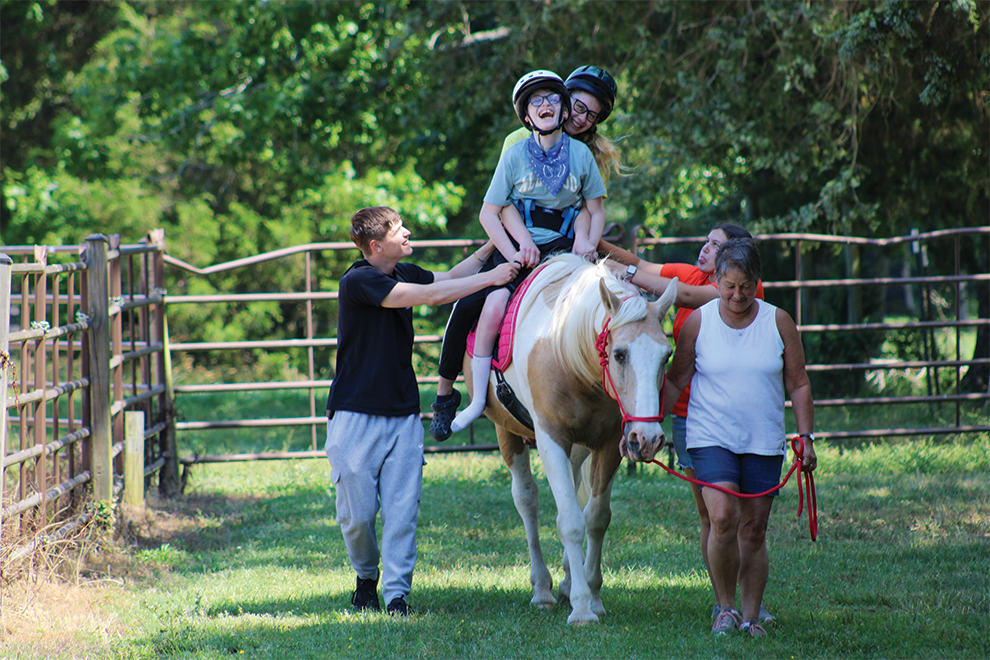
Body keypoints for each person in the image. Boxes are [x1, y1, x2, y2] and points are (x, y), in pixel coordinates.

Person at [324, 206, 519, 615]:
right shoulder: (359, 280)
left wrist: (493, 247)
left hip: (402, 413)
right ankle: (365, 577)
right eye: (399, 229)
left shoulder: (403, 272)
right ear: (377, 245)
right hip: (354, 413)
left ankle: (396, 596)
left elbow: (448, 278)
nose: (408, 232)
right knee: (357, 518)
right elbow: (431, 297)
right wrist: (492, 278)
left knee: (401, 510)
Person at [430, 66, 620, 441]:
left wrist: (584, 238)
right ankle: (446, 395)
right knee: (470, 303)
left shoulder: (584, 155)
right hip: (514, 238)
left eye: (590, 114)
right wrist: (515, 247)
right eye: (578, 107)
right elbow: (503, 204)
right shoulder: (518, 143)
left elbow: (589, 207)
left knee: (616, 298)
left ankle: (614, 399)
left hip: (568, 243)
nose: (581, 118)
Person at [598, 224, 773, 625]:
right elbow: (641, 262)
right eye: (706, 241)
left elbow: (684, 294)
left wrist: (621, 275)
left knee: (748, 520)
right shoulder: (690, 273)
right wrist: (599, 248)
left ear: (735, 259)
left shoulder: (740, 290)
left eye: (715, 245)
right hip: (691, 415)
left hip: (742, 418)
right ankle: (723, 601)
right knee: (712, 516)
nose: (704, 248)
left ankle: (750, 603)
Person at [654, 237, 817, 637]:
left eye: (746, 286)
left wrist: (806, 436)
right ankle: (724, 607)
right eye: (729, 286)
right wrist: (647, 428)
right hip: (710, 436)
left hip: (763, 439)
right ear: (717, 280)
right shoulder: (698, 321)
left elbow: (798, 384)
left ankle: (751, 615)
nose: (738, 295)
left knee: (754, 529)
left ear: (756, 281)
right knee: (723, 517)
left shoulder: (778, 322)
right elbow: (676, 380)